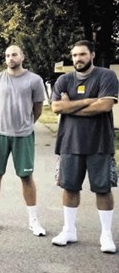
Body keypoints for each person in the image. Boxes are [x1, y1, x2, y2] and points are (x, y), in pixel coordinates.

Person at [50, 40, 117, 254]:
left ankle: (106, 235)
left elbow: (105, 105)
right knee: (69, 188)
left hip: (100, 143)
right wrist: (90, 101)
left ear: (92, 55)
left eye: (83, 54)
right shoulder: (64, 79)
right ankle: (69, 230)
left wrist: (70, 107)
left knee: (103, 189)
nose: (78, 59)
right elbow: (56, 107)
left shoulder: (106, 76)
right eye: (75, 55)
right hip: (69, 143)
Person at [0, 45, 47, 236]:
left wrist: (26, 123)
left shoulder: (34, 80)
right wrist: (0, 122)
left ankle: (33, 220)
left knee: (26, 177)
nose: (10, 58)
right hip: (0, 134)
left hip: (23, 135)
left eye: (14, 54)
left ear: (22, 56)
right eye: (7, 55)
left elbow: (37, 109)